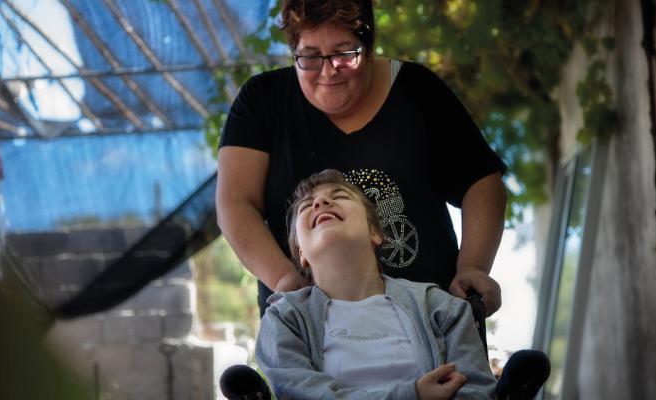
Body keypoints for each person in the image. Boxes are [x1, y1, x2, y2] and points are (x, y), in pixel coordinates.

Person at [216, 0, 507, 316]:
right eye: (310, 57)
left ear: (368, 50)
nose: (328, 71)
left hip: (432, 322)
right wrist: (286, 280)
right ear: (294, 53)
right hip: (314, 333)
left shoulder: (417, 90)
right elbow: (235, 202)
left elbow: (482, 182)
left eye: (344, 54)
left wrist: (474, 266)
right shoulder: (261, 102)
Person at [255, 169, 498, 399]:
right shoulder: (284, 319)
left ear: (375, 233)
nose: (320, 203)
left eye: (338, 196)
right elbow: (299, 394)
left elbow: (475, 389)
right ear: (301, 254)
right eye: (308, 206)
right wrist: (411, 396)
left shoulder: (440, 307)